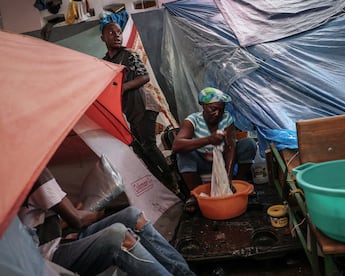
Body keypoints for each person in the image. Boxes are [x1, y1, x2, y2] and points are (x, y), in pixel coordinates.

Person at [18, 168, 195, 276]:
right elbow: (78, 220)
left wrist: (73, 217)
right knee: (117, 236)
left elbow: (38, 222)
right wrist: (96, 213)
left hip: (54, 240)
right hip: (45, 257)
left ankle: (184, 274)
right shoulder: (35, 173)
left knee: (133, 215)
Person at [100, 21, 179, 195]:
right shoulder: (105, 62)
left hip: (143, 105)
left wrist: (123, 88)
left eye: (119, 32)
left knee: (149, 145)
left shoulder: (129, 55)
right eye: (112, 33)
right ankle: (160, 181)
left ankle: (171, 179)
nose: (117, 35)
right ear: (103, 38)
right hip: (128, 109)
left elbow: (144, 77)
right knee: (139, 149)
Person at [172, 87, 257, 210]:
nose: (217, 113)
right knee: (183, 153)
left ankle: (238, 183)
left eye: (221, 110)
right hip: (202, 161)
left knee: (249, 144)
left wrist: (228, 181)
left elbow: (230, 148)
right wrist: (208, 140)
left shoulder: (227, 119)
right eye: (213, 109)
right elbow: (176, 145)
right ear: (203, 105)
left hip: (222, 160)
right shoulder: (193, 120)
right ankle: (195, 194)